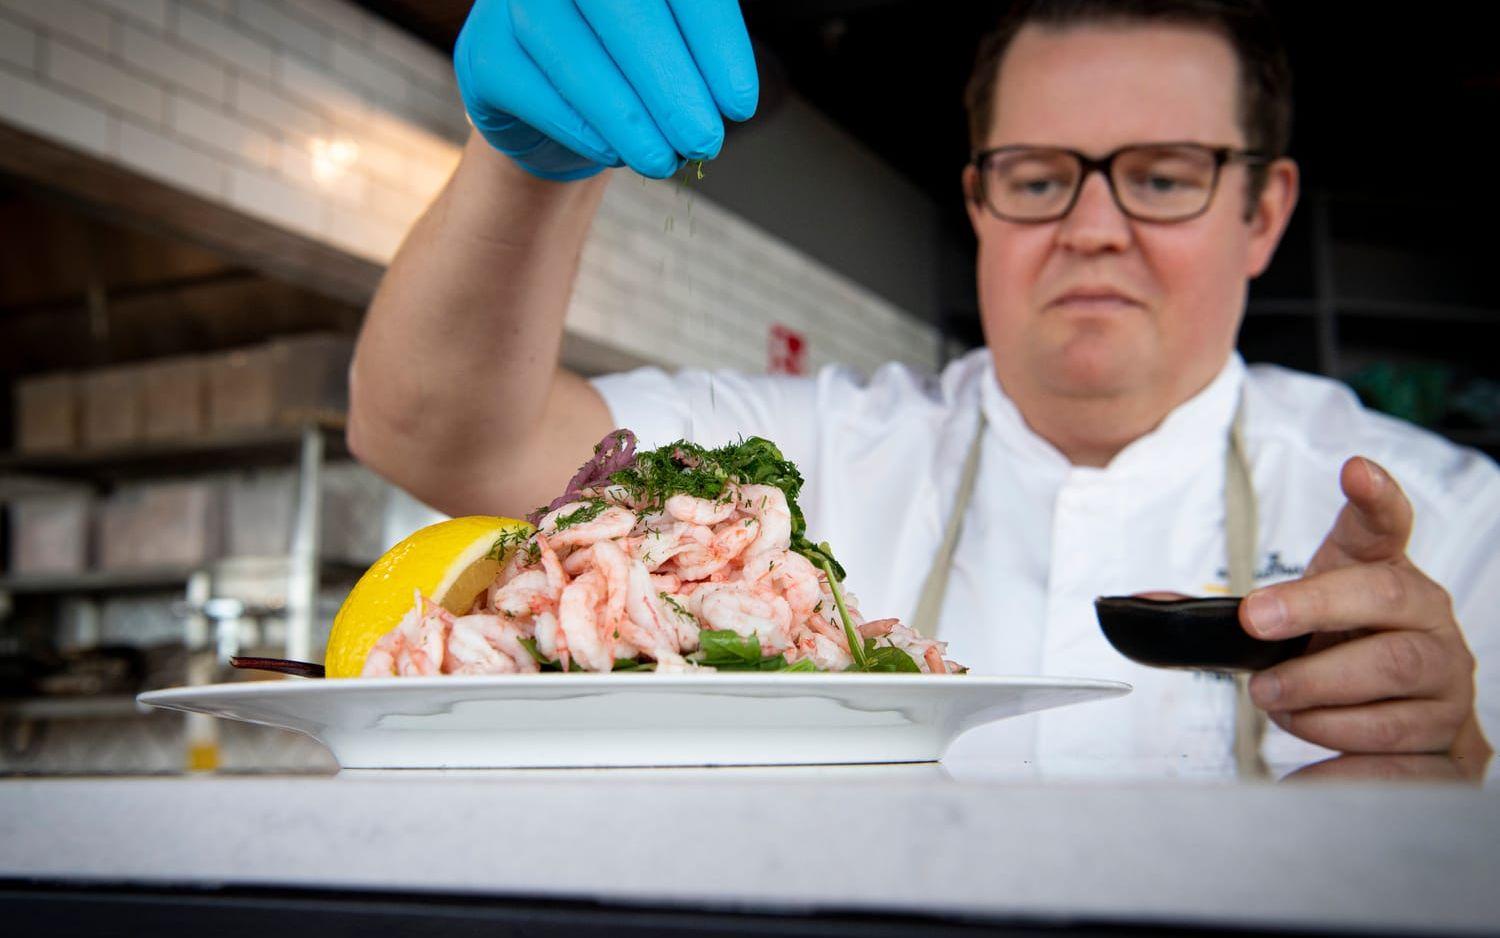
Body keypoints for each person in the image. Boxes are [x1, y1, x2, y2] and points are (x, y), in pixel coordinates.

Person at [347, 0, 1496, 772]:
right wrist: (524, 167)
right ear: (980, 203)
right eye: (1040, 178)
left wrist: (1464, 779)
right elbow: (437, 433)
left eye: (1162, 177)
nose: (1095, 228)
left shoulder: (1462, 524)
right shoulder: (805, 458)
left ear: (1265, 212)